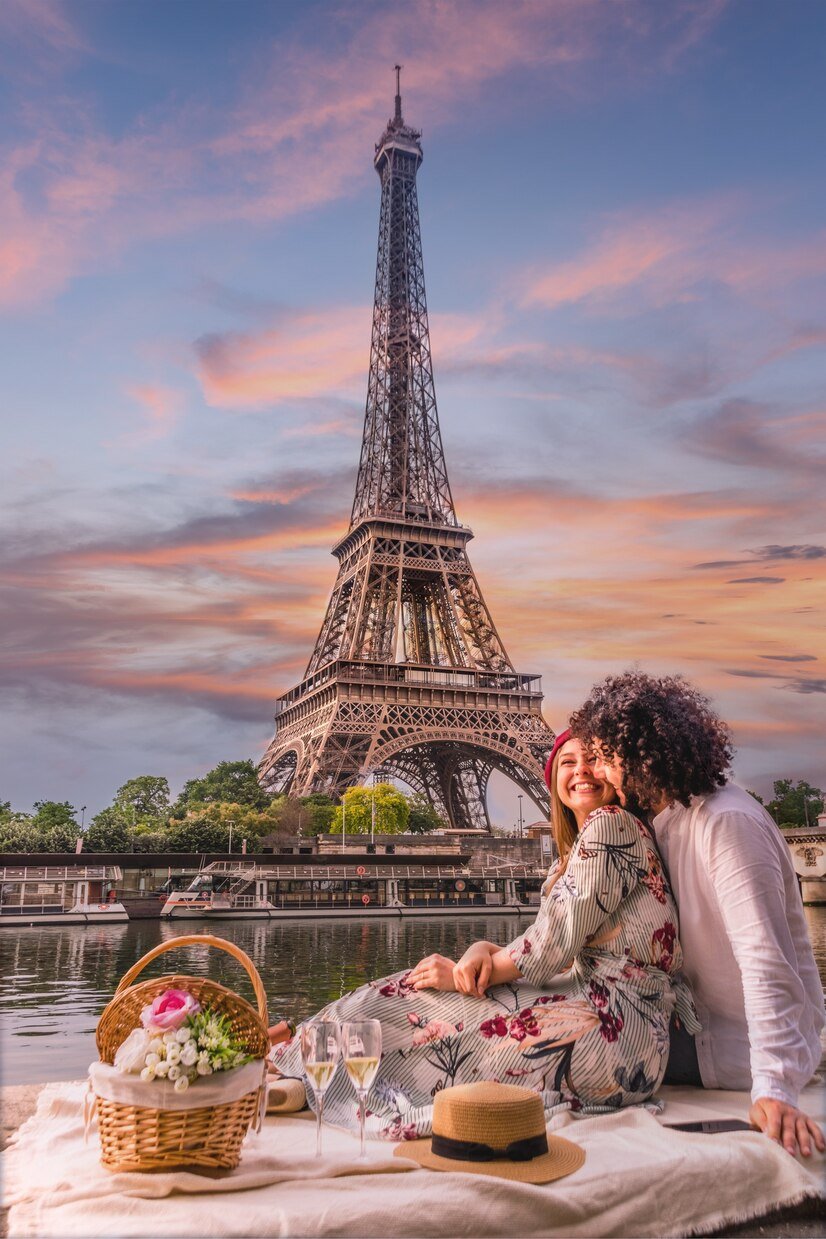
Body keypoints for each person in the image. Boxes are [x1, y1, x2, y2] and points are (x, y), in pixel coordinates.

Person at [268, 733, 696, 1140]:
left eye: (594, 759)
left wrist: (460, 974)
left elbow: (550, 948)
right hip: (615, 1023)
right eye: (568, 762)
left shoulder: (612, 824)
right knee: (414, 996)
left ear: (616, 773)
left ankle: (294, 1062)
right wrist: (479, 949)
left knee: (423, 1002)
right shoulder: (571, 857)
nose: (581, 770)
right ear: (552, 780)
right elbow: (553, 945)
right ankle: (301, 1064)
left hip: (612, 1036)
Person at [569, 671, 826, 1158]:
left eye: (604, 758)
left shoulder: (726, 822)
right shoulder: (670, 822)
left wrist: (774, 1088)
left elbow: (764, 962)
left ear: (641, 751)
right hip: (688, 1024)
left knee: (542, 1033)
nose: (597, 773)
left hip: (725, 1045)